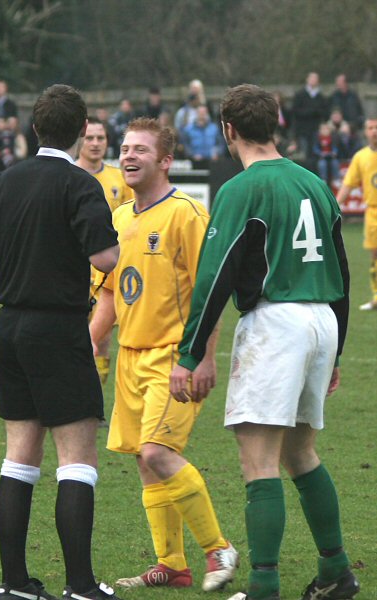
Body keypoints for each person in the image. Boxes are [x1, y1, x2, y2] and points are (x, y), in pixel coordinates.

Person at [170, 84, 358, 600]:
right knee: (301, 453)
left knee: (258, 460)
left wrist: (189, 355)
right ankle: (336, 572)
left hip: (276, 325)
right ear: (275, 123)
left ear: (228, 130)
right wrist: (335, 349)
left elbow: (213, 278)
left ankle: (262, 587)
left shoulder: (241, 189)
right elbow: (342, 271)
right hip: (322, 320)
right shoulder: (315, 182)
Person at [0, 84, 121, 600]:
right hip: (59, 328)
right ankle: (80, 585)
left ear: (34, 128)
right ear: (83, 132)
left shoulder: (3, 180)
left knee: (18, 457)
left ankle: (15, 583)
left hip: (10, 327)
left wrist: (25, 250)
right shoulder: (80, 185)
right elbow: (105, 259)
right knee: (76, 460)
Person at [89, 117, 239, 592]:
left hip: (174, 356)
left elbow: (209, 292)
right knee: (142, 457)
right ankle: (171, 564)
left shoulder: (187, 215)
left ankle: (218, 547)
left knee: (158, 451)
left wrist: (201, 358)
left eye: (140, 150)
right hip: (131, 359)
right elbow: (111, 293)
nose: (128, 156)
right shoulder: (118, 219)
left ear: (165, 161)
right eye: (125, 149)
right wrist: (91, 342)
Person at [76, 116, 133, 385]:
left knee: (104, 336)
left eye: (101, 138)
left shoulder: (118, 179)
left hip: (107, 272)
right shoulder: (69, 175)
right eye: (90, 137)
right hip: (71, 270)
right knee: (71, 334)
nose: (96, 143)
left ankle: (95, 401)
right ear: (80, 139)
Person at [337, 118, 377, 310]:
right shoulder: (361, 157)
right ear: (365, 132)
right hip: (373, 214)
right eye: (371, 127)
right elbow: (348, 185)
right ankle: (376, 296)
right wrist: (334, 208)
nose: (374, 131)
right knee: (374, 257)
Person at [292, 72, 328, 162]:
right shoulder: (300, 95)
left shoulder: (320, 97)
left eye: (316, 79)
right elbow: (295, 111)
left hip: (316, 129)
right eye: (312, 78)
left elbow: (324, 112)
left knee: (315, 152)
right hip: (303, 129)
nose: (313, 81)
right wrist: (310, 112)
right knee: (304, 154)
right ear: (307, 80)